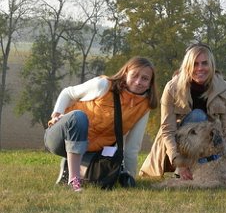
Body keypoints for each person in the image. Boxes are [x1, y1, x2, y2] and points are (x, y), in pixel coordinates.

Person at [44, 56, 158, 191]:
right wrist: (56, 115)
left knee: (111, 160)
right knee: (79, 117)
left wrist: (129, 176)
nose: (138, 82)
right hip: (61, 139)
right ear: (125, 73)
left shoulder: (145, 106)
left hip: (94, 151)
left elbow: (133, 146)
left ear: (150, 83)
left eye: (145, 78)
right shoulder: (103, 85)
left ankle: (74, 166)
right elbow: (67, 93)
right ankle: (74, 181)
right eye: (134, 75)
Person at [139, 42, 226, 180]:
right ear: (187, 66)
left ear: (211, 65)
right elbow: (168, 129)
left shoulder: (224, 87)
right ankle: (182, 171)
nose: (200, 68)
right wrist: (179, 163)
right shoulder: (172, 88)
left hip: (208, 143)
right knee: (198, 116)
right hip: (179, 144)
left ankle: (205, 170)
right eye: (195, 64)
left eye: (204, 63)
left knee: (207, 125)